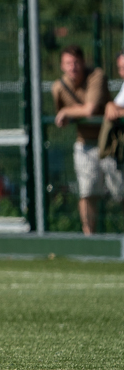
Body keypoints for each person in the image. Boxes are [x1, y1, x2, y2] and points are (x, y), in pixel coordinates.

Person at [52, 45, 121, 234]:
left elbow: (90, 110)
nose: (72, 67)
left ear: (83, 63)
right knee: (87, 192)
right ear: (61, 66)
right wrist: (65, 114)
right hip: (84, 144)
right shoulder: (58, 87)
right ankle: (89, 237)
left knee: (120, 192)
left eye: (76, 62)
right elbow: (60, 116)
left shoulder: (96, 76)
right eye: (68, 63)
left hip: (108, 143)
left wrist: (67, 111)